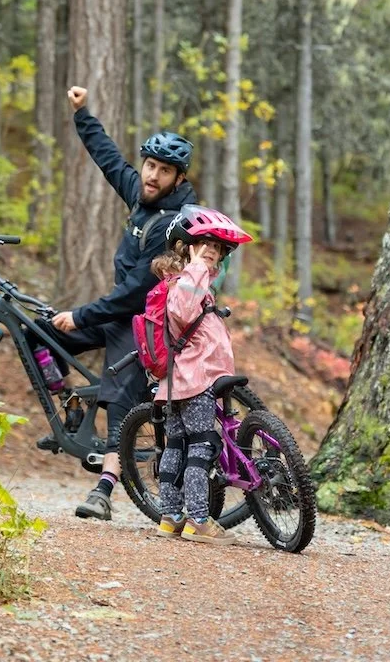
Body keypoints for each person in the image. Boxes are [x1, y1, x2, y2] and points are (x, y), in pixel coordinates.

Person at [46, 86, 197, 521]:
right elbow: (109, 159)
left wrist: (81, 315)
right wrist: (81, 113)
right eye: (150, 165)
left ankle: (104, 489)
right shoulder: (142, 193)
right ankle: (73, 408)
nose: (151, 175)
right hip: (114, 315)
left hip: (143, 324)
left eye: (163, 171)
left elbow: (133, 293)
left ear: (178, 179)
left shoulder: (173, 225)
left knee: (118, 399)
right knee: (38, 336)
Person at [148, 205, 253, 545]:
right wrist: (196, 267)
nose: (212, 251)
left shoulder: (187, 282)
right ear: (185, 247)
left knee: (176, 445)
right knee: (201, 446)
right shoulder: (186, 281)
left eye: (218, 248)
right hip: (195, 380)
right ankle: (198, 519)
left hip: (179, 381)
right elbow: (181, 312)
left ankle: (171, 516)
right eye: (204, 243)